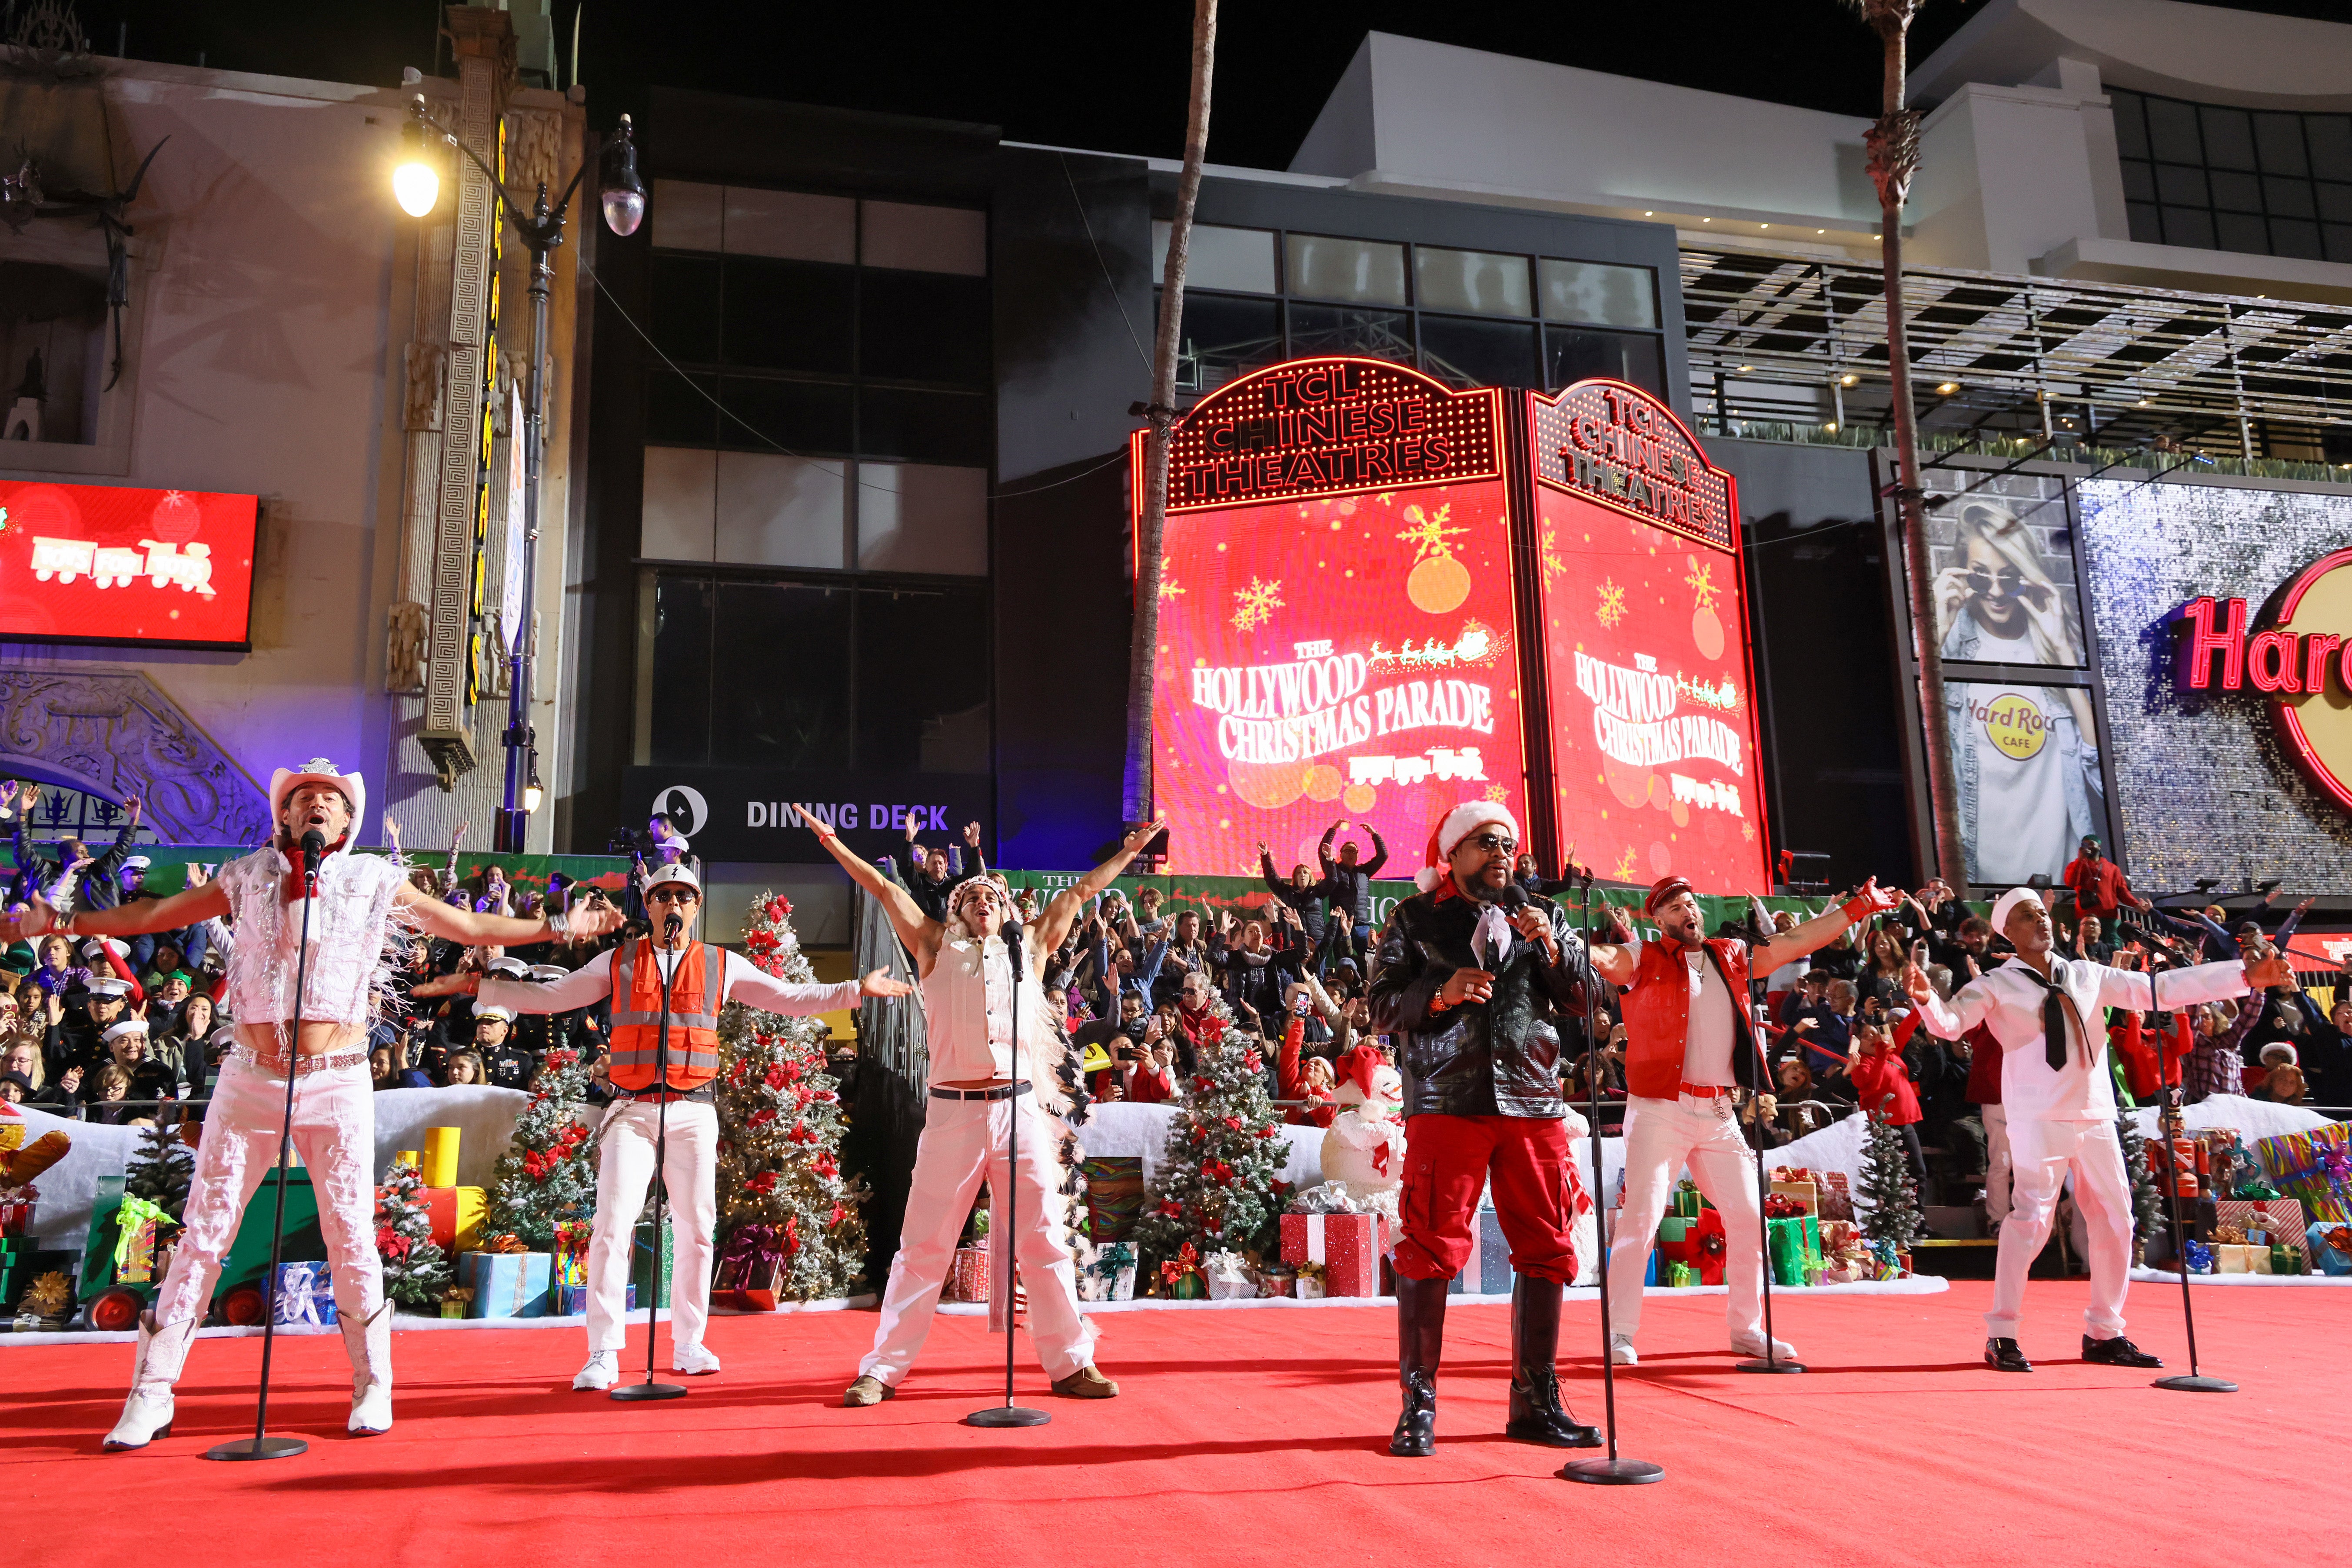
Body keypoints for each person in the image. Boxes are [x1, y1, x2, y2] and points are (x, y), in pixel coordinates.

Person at [2, 757, 625, 1452]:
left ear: (348, 819)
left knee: (351, 1234)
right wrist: (54, 922)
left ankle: (372, 1384)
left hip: (336, 1077)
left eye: (330, 799)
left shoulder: (372, 879)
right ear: (285, 817)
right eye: (304, 800)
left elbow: (468, 930)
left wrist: (555, 928)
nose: (317, 807)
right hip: (251, 1076)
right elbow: (152, 913)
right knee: (204, 1233)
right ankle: (151, 1392)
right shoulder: (247, 876)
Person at [422, 860, 902, 1389]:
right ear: (648, 904)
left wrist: (857, 989)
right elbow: (554, 997)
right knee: (610, 1226)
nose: (673, 903)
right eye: (663, 895)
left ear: (696, 907)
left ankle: (690, 1341)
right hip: (630, 1110)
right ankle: (602, 1350)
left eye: (683, 896)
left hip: (694, 1109)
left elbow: (786, 997)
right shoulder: (618, 960)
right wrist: (484, 990)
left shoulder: (723, 964)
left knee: (697, 1228)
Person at [804, 807, 1159, 1408]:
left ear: (1008, 910)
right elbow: (886, 887)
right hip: (952, 1113)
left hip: (1019, 1113)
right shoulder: (935, 946)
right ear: (955, 910)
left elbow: (1079, 891)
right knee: (922, 1246)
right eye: (969, 896)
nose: (981, 900)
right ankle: (882, 1369)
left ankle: (1071, 1363)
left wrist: (1129, 853)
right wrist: (834, 844)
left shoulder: (1031, 949)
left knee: (1044, 1239)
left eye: (990, 895)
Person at [1903, 887, 2289, 1373]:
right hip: (2036, 1116)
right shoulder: (1997, 984)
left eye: (2043, 912)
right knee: (2029, 1223)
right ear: (2007, 930)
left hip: (2094, 1113)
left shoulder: (2087, 974)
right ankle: (2001, 1332)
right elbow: (1950, 1024)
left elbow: (2160, 989)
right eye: (2027, 915)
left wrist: (2242, 975)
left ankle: (2104, 1331)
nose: (2041, 920)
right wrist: (1924, 999)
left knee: (2116, 1221)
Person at [1367, 801, 1608, 1458]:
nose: (1501, 852)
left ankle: (1534, 1402)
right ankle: (1417, 1406)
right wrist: (1440, 994)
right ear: (1451, 856)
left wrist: (1554, 948)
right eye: (1484, 842)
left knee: (1548, 1245)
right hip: (1449, 1101)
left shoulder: (1544, 915)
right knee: (1428, 1247)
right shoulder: (1414, 919)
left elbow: (1589, 1004)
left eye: (1506, 842)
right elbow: (1381, 1004)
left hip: (1532, 1104)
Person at [1588, 874, 1898, 1368]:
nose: (1685, 911)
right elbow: (1604, 959)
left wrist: (1858, 907)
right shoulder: (1644, 957)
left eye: (1689, 902)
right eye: (1672, 907)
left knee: (1750, 1217)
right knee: (1641, 1217)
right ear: (1656, 919)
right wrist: (1557, 937)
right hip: (1658, 1110)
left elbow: (1797, 940)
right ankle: (1620, 1330)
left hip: (1718, 1112)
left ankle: (1746, 1328)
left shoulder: (1731, 953)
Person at [2060, 838, 2142, 924]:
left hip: (2110, 917)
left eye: (2091, 844)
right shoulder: (2075, 865)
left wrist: (2136, 905)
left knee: (2113, 937)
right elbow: (2071, 883)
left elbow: (2122, 892)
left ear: (2099, 847)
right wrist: (2080, 861)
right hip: (2085, 916)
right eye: (2085, 845)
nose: (2088, 847)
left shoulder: (2113, 869)